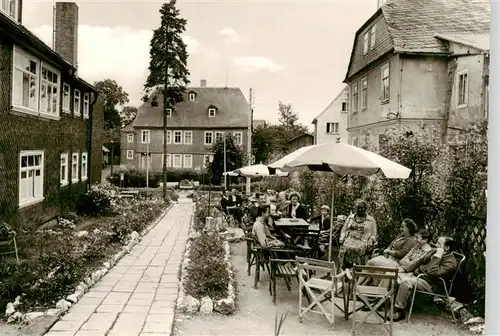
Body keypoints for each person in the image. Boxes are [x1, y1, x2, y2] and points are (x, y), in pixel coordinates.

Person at [390, 236, 458, 321]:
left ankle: (399, 311)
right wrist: (405, 269)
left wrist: (437, 256)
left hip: (432, 284)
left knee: (406, 283)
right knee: (394, 275)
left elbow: (432, 273)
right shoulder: (434, 250)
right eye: (436, 242)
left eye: (439, 244)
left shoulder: (450, 263)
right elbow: (419, 261)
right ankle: (389, 303)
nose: (436, 245)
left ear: (447, 248)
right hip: (419, 276)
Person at [338, 199, 377, 269]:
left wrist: (371, 241)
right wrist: (342, 237)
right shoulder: (350, 218)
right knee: (345, 248)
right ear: (356, 208)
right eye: (358, 208)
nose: (360, 209)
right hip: (350, 238)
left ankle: (358, 269)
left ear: (365, 208)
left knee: (358, 249)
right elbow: (344, 230)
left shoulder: (371, 220)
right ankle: (345, 268)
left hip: (363, 240)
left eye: (362, 208)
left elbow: (374, 234)